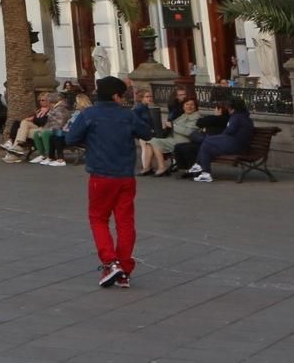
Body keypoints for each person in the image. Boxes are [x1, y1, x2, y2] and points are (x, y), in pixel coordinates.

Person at [62, 76, 142, 287]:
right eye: (122, 95)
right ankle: (124, 268)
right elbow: (147, 133)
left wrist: (90, 141)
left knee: (98, 218)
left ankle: (110, 261)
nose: (123, 99)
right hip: (125, 174)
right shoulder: (127, 115)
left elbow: (70, 139)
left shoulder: (89, 114)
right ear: (116, 95)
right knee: (125, 221)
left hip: (101, 175)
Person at [187, 98, 253, 183]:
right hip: (238, 145)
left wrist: (217, 138)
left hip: (235, 145)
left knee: (206, 141)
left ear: (232, 108)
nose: (228, 109)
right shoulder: (245, 117)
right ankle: (205, 173)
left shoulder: (236, 117)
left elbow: (229, 131)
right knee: (206, 146)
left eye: (228, 107)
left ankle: (200, 166)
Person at [154, 95, 202, 175]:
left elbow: (189, 132)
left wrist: (173, 126)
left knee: (153, 142)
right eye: (187, 104)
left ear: (196, 107)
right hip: (173, 139)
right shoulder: (183, 115)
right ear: (183, 106)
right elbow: (173, 125)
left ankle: (161, 168)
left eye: (192, 105)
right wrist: (168, 125)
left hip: (182, 141)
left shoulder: (196, 117)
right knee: (149, 142)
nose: (189, 107)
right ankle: (149, 167)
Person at [131, 87, 166, 175]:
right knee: (147, 147)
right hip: (142, 132)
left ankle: (147, 168)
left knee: (149, 147)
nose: (150, 98)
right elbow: (135, 120)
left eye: (150, 96)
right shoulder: (138, 108)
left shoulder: (145, 107)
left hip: (147, 132)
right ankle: (149, 168)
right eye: (147, 96)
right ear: (141, 98)